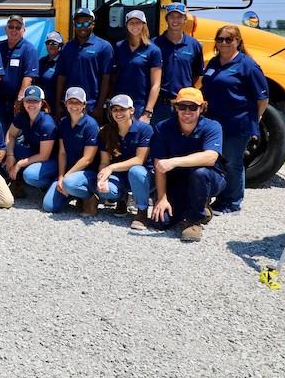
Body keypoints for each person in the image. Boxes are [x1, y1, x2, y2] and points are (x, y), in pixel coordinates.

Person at [201, 25, 269, 214]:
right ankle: (220, 198)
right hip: (214, 123)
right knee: (217, 161)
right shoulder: (214, 63)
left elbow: (263, 97)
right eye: (220, 39)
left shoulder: (247, 65)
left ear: (238, 41)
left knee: (232, 162)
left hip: (238, 124)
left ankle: (232, 203)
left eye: (228, 39)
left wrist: (256, 118)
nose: (223, 43)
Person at [150, 87, 227, 242]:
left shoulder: (212, 126)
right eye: (182, 106)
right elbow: (159, 165)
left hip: (209, 177)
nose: (187, 111)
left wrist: (174, 161)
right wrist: (162, 198)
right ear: (175, 107)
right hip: (177, 179)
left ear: (202, 108)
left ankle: (194, 220)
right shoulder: (163, 127)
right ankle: (196, 206)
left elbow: (211, 157)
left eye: (193, 107)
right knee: (160, 222)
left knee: (200, 173)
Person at [94, 94, 153, 226]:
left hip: (143, 176)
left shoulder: (145, 129)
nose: (118, 113)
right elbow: (104, 161)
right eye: (115, 110)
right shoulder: (106, 131)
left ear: (131, 110)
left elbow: (139, 160)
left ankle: (142, 211)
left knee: (136, 171)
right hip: (120, 175)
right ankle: (121, 199)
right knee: (105, 190)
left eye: (122, 109)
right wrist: (102, 177)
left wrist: (111, 168)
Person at [47, 87, 101, 214]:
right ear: (65, 104)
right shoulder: (64, 123)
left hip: (88, 172)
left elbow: (87, 159)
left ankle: (90, 196)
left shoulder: (91, 125)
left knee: (69, 183)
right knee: (49, 206)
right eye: (71, 102)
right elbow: (62, 152)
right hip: (69, 173)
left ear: (84, 105)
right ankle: (73, 194)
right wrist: (60, 176)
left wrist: (65, 177)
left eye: (78, 102)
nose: (74, 105)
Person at [55, 7, 114, 122]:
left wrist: (99, 106)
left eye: (86, 23)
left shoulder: (104, 47)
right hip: (70, 105)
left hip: (92, 106)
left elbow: (106, 78)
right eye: (78, 24)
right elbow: (61, 77)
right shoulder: (67, 47)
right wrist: (58, 104)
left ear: (93, 24)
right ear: (74, 25)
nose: (82, 27)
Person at [5, 86, 58, 206]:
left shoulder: (47, 124)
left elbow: (44, 156)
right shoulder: (23, 116)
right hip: (34, 152)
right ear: (23, 102)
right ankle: (16, 182)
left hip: (51, 159)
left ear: (42, 103)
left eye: (35, 101)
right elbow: (11, 134)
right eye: (28, 100)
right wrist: (9, 155)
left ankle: (48, 184)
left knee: (30, 175)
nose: (31, 104)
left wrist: (19, 164)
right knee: (9, 149)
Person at [152, 3, 204, 125]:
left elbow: (198, 74)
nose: (175, 20)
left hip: (185, 105)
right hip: (160, 105)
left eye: (179, 17)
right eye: (172, 16)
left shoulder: (194, 45)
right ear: (166, 19)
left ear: (185, 19)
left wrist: (190, 96)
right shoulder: (154, 44)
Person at [111, 10, 162, 123]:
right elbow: (114, 76)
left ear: (144, 25)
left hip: (140, 105)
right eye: (131, 23)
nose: (135, 26)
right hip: (119, 104)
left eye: (138, 23)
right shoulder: (119, 47)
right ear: (126, 25)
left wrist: (148, 112)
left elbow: (156, 84)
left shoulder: (153, 50)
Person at [0, 15, 39, 129]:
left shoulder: (29, 49)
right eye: (11, 27)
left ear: (23, 30)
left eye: (18, 27)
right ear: (6, 29)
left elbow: (28, 77)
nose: (14, 30)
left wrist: (19, 99)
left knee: (16, 134)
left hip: (17, 102)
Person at [37, 31, 64, 105]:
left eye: (54, 43)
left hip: (57, 106)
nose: (51, 45)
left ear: (60, 45)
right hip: (41, 104)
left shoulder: (64, 63)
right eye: (48, 43)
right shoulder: (41, 61)